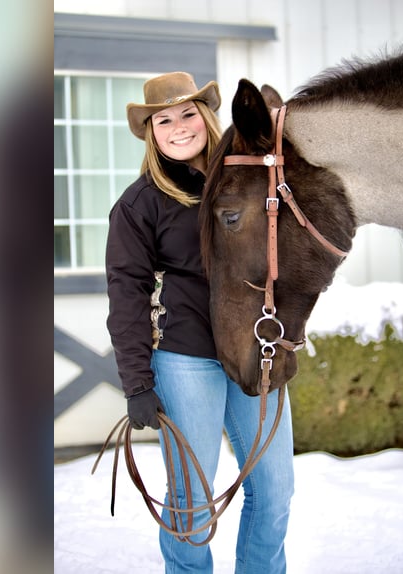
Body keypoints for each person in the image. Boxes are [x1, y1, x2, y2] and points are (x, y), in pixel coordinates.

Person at [105, 72, 295, 573]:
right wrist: (137, 383)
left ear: (206, 116)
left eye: (188, 113)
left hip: (256, 352)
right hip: (186, 359)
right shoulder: (139, 205)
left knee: (275, 491)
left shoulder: (252, 179)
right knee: (191, 500)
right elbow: (126, 294)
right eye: (163, 120)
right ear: (151, 133)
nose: (178, 126)